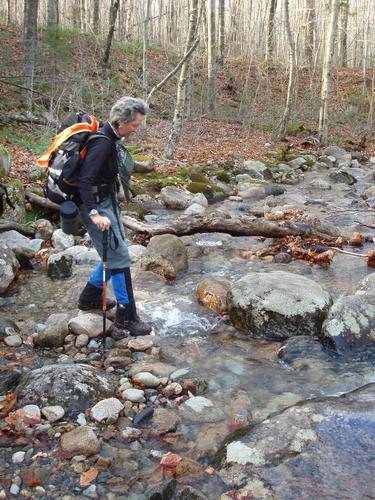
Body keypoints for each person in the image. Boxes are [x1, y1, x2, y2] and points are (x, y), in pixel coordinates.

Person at [77, 96, 152, 337]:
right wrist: (94, 213)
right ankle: (127, 317)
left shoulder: (111, 136)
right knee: (120, 257)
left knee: (114, 252)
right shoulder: (103, 143)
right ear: (121, 121)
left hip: (106, 202)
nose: (136, 129)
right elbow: (84, 180)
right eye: (135, 125)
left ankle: (89, 297)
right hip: (96, 207)